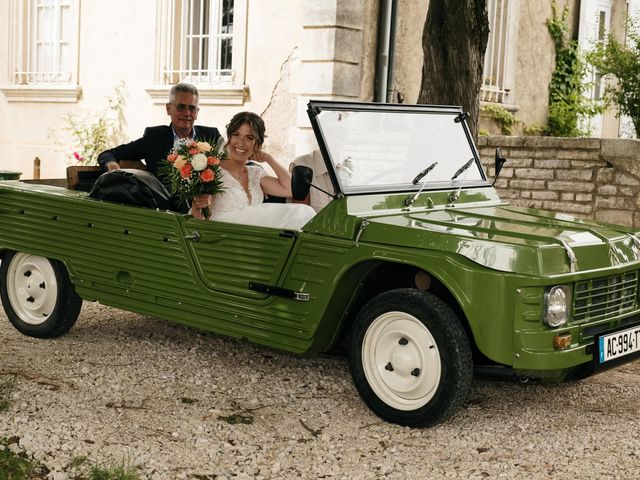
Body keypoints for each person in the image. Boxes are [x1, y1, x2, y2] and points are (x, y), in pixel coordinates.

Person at [191, 112, 315, 230]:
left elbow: (290, 190)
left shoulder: (255, 174)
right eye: (236, 135)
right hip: (223, 238)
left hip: (255, 241)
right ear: (229, 137)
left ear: (257, 144)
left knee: (304, 212)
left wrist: (268, 158)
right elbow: (200, 219)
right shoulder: (212, 171)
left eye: (249, 138)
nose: (240, 143)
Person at [97, 83, 221, 176]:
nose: (187, 113)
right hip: (162, 207)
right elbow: (108, 154)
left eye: (192, 108)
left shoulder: (211, 136)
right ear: (168, 109)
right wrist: (110, 164)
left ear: (197, 112)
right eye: (181, 107)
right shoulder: (154, 137)